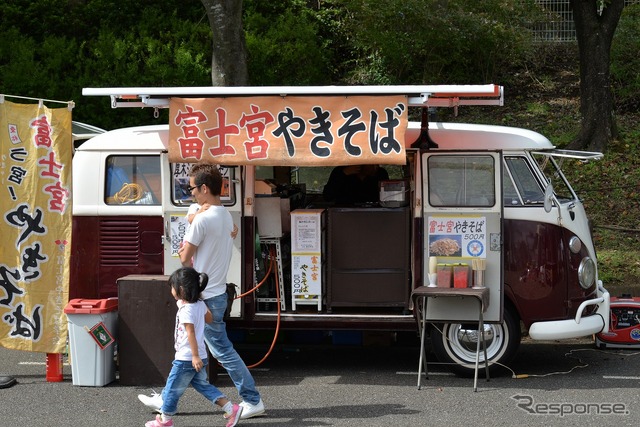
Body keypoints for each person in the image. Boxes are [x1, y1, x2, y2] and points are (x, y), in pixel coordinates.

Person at [140, 163, 265, 420]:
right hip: (217, 293)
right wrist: (193, 215)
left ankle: (253, 400)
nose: (191, 193)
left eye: (193, 188)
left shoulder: (202, 220)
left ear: (205, 188)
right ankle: (166, 397)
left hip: (204, 298)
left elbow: (184, 258)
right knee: (190, 351)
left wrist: (190, 223)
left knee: (217, 352)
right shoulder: (225, 214)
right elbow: (200, 218)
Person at [144, 267, 242, 427]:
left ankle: (165, 420)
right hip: (199, 356)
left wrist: (194, 356)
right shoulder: (198, 305)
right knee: (202, 385)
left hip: (187, 358)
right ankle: (231, 409)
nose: (171, 290)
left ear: (181, 290)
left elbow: (190, 334)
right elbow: (209, 319)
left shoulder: (186, 311)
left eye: (172, 287)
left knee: (171, 389)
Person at [323, 164, 389, 205]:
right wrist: (343, 174)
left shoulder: (381, 173)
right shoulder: (340, 171)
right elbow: (327, 196)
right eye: (372, 164)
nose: (376, 167)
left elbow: (388, 197)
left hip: (374, 214)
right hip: (345, 214)